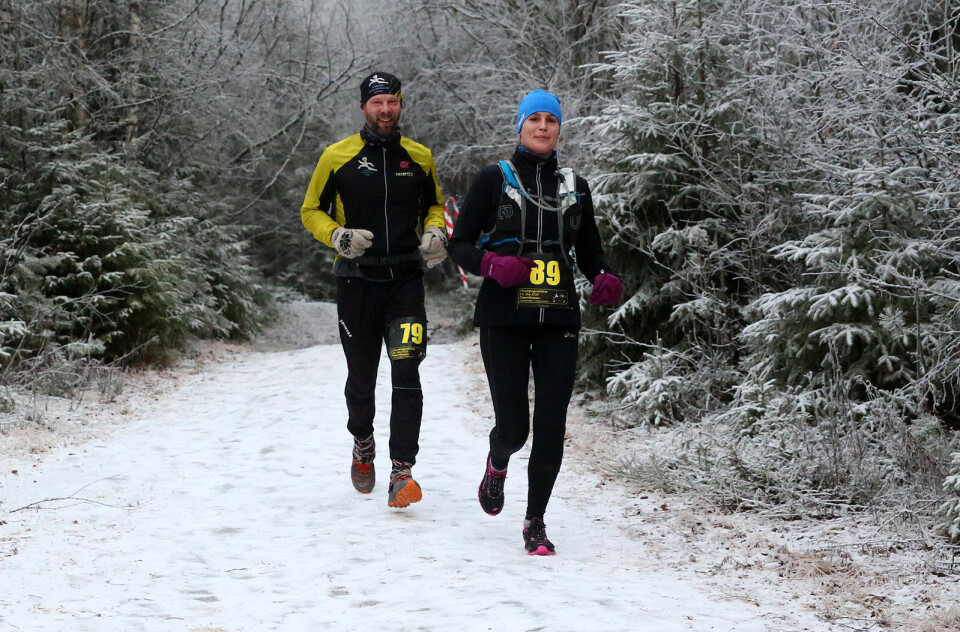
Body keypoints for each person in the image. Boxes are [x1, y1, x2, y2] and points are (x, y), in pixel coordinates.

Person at [448, 89, 623, 555]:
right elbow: (459, 243)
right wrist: (490, 265)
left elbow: (589, 248)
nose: (543, 126)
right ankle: (498, 460)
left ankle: (535, 522)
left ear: (559, 127)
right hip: (504, 315)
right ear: (520, 125)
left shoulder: (575, 185)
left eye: (551, 119)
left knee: (550, 423)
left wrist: (602, 275)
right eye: (535, 119)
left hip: (558, 316)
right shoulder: (493, 178)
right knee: (515, 428)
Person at [300, 71, 448, 509]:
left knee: (406, 372)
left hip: (405, 281)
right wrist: (337, 236)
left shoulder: (419, 157)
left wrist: (437, 231)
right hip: (356, 282)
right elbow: (311, 210)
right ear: (363, 107)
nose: (386, 110)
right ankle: (362, 442)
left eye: (393, 102)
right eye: (377, 102)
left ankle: (402, 470)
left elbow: (435, 204)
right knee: (362, 378)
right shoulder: (336, 156)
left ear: (401, 105)